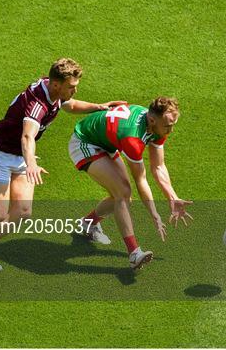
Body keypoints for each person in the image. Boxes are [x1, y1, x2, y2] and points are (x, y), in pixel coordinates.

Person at [0, 58, 125, 270]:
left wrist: (100, 107)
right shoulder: (37, 105)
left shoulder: (55, 91)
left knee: (22, 211)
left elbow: (70, 105)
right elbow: (27, 137)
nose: (74, 91)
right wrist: (31, 163)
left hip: (21, 156)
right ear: (57, 84)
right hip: (1, 155)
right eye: (71, 87)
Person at [69, 96, 193, 269]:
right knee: (123, 193)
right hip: (85, 143)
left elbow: (158, 167)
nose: (171, 130)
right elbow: (140, 179)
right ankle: (134, 253)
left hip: (107, 142)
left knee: (122, 196)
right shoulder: (133, 139)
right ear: (151, 120)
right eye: (168, 126)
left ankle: (88, 223)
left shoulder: (157, 125)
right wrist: (155, 215)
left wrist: (172, 197)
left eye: (173, 124)